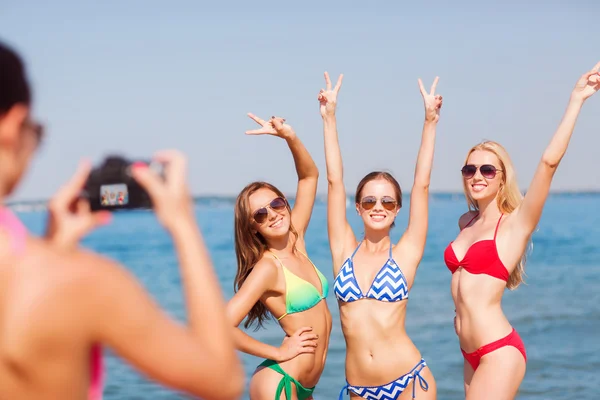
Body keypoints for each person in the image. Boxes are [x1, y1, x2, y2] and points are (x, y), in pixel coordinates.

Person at [0, 40, 244, 400]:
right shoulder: (79, 283)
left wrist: (55, 248)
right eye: (36, 134)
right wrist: (183, 224)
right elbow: (222, 379)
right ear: (13, 122)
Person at [443, 62, 600, 399]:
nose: (477, 175)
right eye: (470, 169)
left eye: (487, 169)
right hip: (469, 354)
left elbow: (548, 163)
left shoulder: (515, 224)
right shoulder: (465, 223)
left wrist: (577, 100)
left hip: (498, 351)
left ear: (502, 177)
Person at [321, 71, 442, 400]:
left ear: (397, 209)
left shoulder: (406, 254)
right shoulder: (343, 249)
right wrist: (329, 117)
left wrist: (430, 121)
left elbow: (422, 184)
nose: (379, 206)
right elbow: (334, 182)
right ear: (357, 208)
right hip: (359, 388)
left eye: (388, 201)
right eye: (370, 200)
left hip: (409, 381)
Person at [227, 113, 329, 400]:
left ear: (285, 202)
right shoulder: (267, 268)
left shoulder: (297, 240)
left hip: (304, 386)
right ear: (253, 226)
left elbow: (309, 176)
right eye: (261, 214)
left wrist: (290, 137)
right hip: (279, 382)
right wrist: (277, 351)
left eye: (276, 203)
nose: (272, 214)